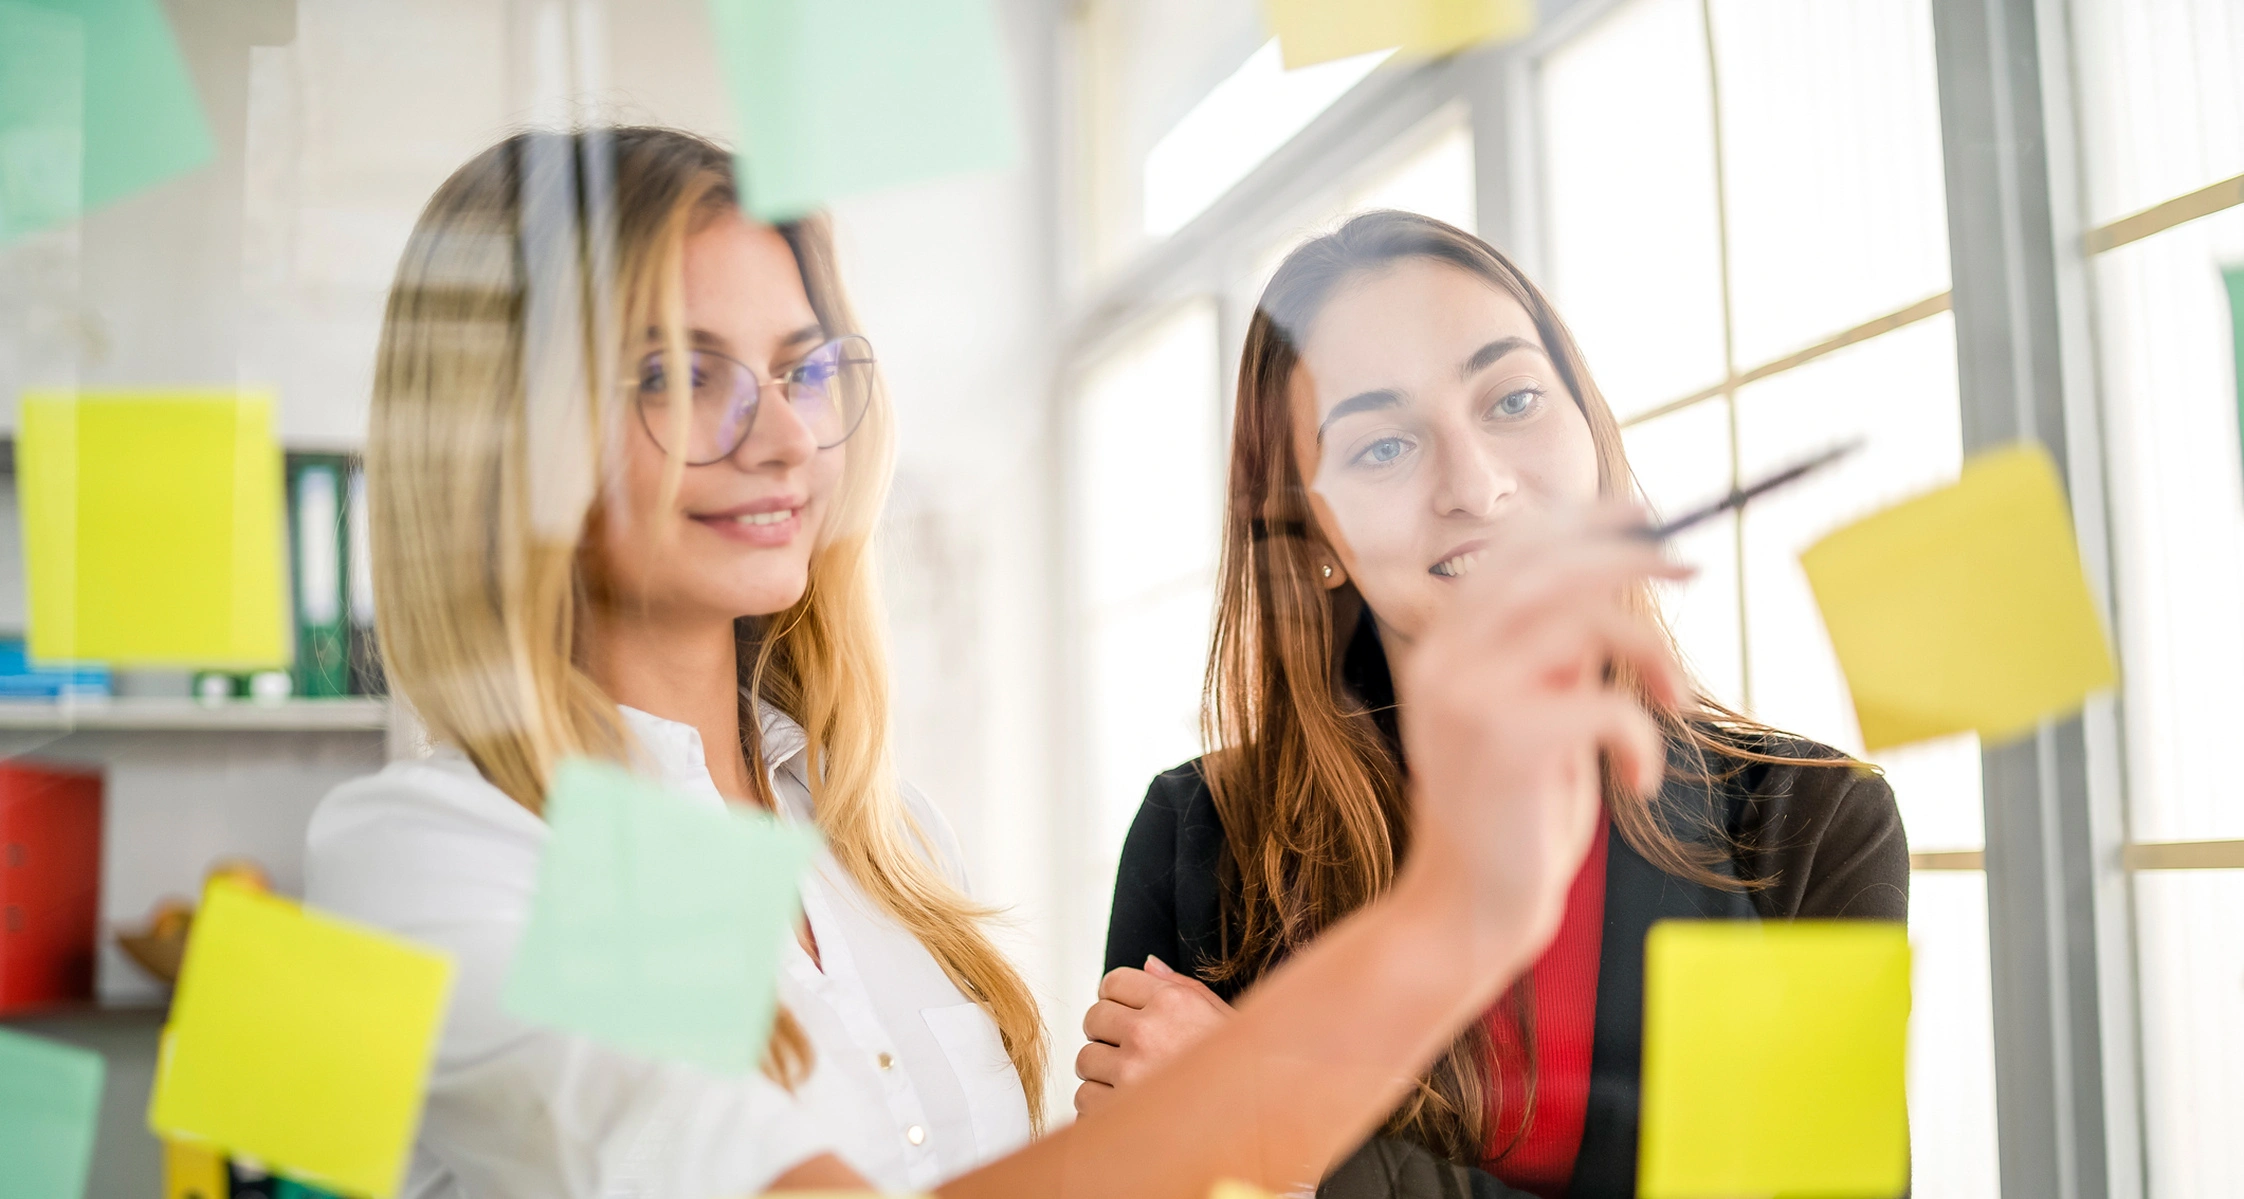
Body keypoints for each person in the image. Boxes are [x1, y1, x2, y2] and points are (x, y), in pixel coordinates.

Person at [303, 128, 1692, 1199]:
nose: (783, 437)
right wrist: (1457, 915)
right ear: (502, 435)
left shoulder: (876, 840)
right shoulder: (425, 855)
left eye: (802, 368)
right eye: (675, 373)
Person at [1084, 211, 1910, 1199]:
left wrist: (1276, 1129)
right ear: (1312, 533)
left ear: (1593, 433)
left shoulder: (1806, 824)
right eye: (1384, 447)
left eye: (1513, 398)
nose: (1475, 484)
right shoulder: (1204, 835)